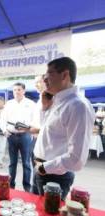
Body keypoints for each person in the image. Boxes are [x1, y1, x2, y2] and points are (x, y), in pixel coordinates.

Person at [32, 57, 95, 200]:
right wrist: (45, 107)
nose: (45, 79)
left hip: (54, 175)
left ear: (65, 75)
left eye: (50, 74)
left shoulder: (78, 106)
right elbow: (47, 130)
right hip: (41, 168)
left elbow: (76, 159)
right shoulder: (56, 100)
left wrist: (44, 167)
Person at [0, 82, 36, 192]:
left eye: (19, 89)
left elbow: (35, 120)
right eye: (15, 90)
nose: (16, 92)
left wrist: (28, 127)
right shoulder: (9, 104)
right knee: (12, 163)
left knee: (26, 163)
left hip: (25, 136)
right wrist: (4, 130)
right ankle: (11, 186)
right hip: (11, 136)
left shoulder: (30, 104)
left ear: (24, 91)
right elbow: (2, 119)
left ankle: (27, 187)